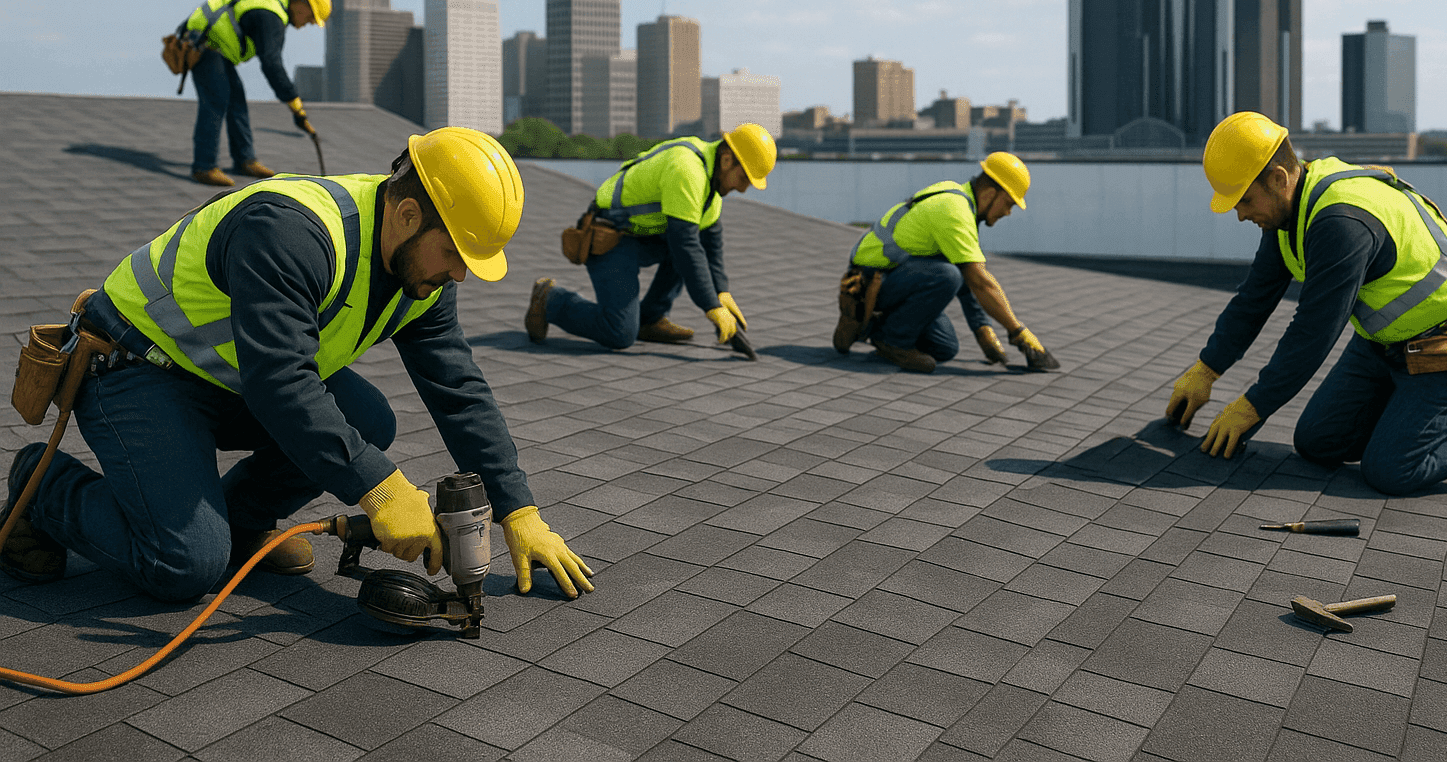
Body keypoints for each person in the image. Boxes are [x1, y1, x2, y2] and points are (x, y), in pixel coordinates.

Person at [1, 127, 595, 603]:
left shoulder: (424, 271)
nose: (460, 274)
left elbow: (458, 388)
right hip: (137, 368)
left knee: (367, 420)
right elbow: (280, 380)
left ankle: (237, 523)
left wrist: (519, 509)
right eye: (455, 253)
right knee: (182, 566)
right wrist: (382, 490)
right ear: (409, 213)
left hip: (229, 378)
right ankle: (42, 485)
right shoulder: (293, 232)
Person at [1167, 111, 1447, 495]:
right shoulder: (1291, 212)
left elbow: (1313, 331)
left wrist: (1251, 406)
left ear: (1277, 179)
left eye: (1245, 200)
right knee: (1317, 443)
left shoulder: (1340, 222)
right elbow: (1254, 298)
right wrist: (1206, 370)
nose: (1240, 215)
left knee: (1389, 470)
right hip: (1384, 347)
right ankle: (1404, 418)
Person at [525, 123, 778, 351]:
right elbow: (685, 246)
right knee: (620, 333)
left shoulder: (712, 188)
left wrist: (722, 292)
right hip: (610, 236)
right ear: (726, 160)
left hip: (642, 236)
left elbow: (710, 245)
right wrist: (712, 307)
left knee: (691, 245)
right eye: (744, 178)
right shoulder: (688, 170)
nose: (744, 189)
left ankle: (650, 319)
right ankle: (551, 299)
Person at [834, 151, 1061, 374]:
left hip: (896, 278)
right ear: (990, 194)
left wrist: (984, 332)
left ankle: (875, 329)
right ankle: (894, 342)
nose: (1008, 212)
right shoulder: (955, 211)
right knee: (947, 275)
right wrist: (1018, 332)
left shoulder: (960, 202)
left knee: (944, 347)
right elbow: (979, 281)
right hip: (867, 281)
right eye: (1009, 203)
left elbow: (969, 279)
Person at [178, 0, 330, 187]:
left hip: (217, 48)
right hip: (203, 43)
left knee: (236, 100)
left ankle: (245, 160)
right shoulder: (270, 16)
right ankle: (203, 167)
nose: (308, 24)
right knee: (216, 99)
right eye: (311, 18)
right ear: (302, 4)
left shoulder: (275, 9)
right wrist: (294, 103)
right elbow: (271, 64)